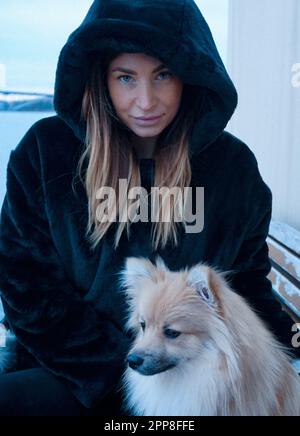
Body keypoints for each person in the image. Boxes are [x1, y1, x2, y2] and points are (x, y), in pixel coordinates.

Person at [0, 0, 298, 416]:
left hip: (190, 383)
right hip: (73, 372)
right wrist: (118, 373)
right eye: (126, 78)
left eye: (163, 75)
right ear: (101, 79)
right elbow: (26, 285)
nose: (145, 101)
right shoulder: (46, 153)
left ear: (190, 77)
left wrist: (294, 337)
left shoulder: (232, 169)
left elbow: (243, 284)